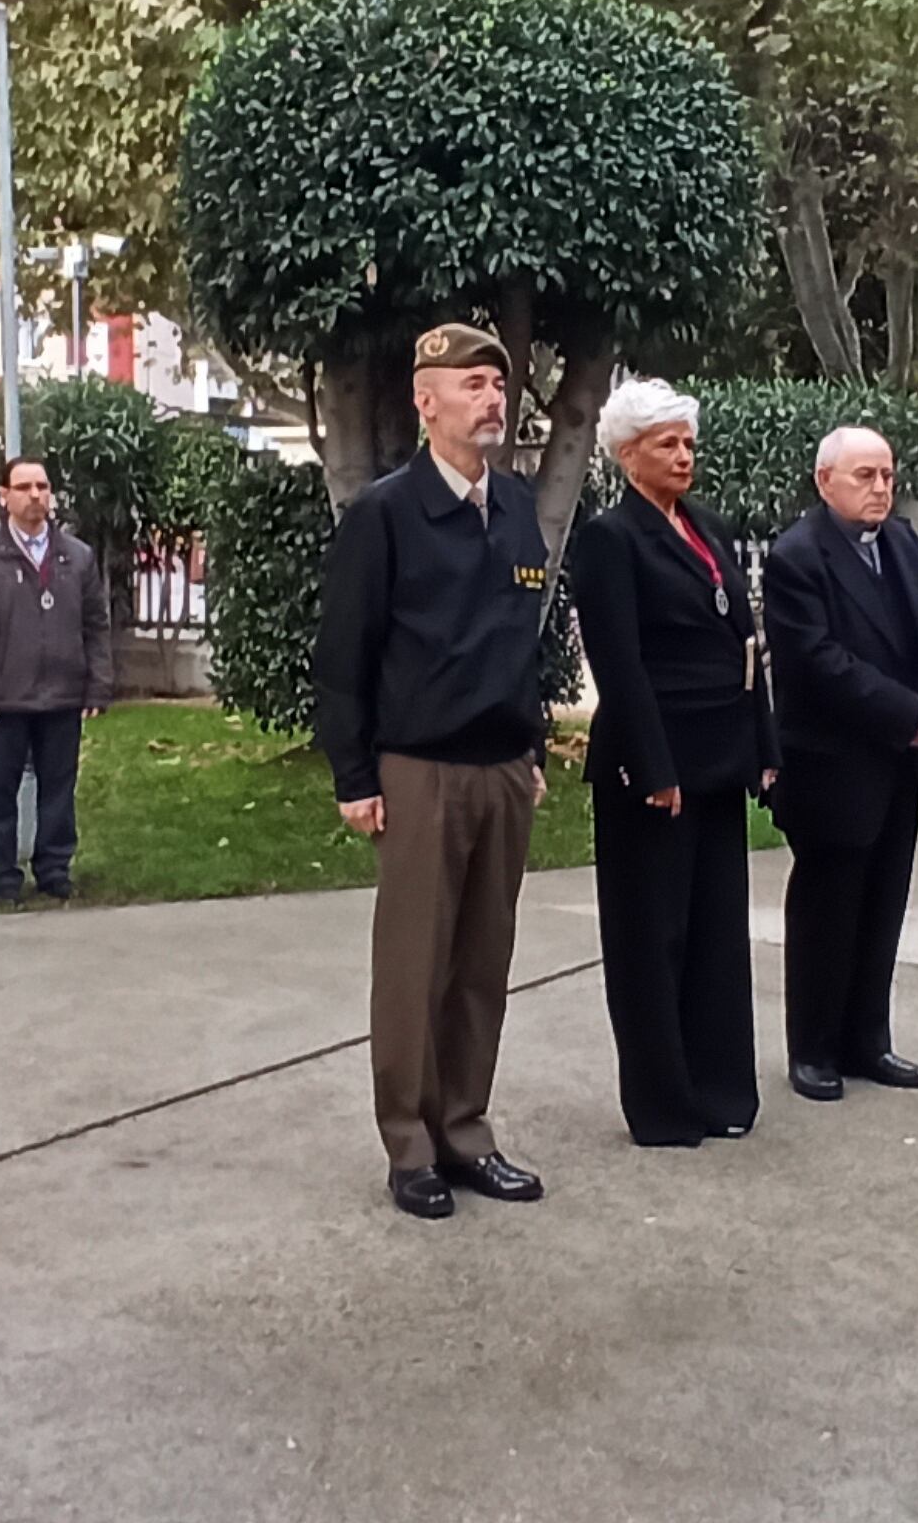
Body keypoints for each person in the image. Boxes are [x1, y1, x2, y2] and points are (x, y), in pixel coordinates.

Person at [312, 323, 552, 1220]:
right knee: (416, 964)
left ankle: (466, 1128)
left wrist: (528, 747)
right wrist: (354, 776)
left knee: (483, 964)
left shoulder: (517, 505)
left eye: (499, 384)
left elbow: (518, 647)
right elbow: (346, 656)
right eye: (473, 384)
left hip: (499, 769)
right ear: (426, 401)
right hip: (418, 769)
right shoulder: (388, 512)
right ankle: (409, 1145)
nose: (493, 398)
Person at [569, 379, 778, 1149]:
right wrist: (654, 768)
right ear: (629, 456)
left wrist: (763, 747)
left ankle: (721, 1087)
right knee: (652, 938)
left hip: (720, 760)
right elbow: (618, 663)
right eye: (667, 443)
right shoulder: (610, 539)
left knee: (716, 936)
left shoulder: (709, 528)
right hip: (653, 770)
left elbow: (746, 646)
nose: (684, 455)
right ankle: (662, 1103)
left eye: (689, 442)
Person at [761, 425, 918, 1103]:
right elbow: (818, 664)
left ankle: (867, 1039)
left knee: (883, 906)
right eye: (864, 477)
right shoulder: (797, 558)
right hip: (834, 763)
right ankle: (813, 1048)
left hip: (900, 763)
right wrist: (910, 714)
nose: (881, 488)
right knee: (828, 909)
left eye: (886, 476)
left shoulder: (901, 542)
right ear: (826, 482)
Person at [0, 456, 112, 904]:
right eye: (23, 487)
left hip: (62, 693)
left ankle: (54, 868)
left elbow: (96, 625)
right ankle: (4, 874)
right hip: (3, 698)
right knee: (0, 788)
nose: (35, 495)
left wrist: (97, 684)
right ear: (3, 496)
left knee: (59, 786)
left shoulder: (76, 556)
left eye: (42, 486)